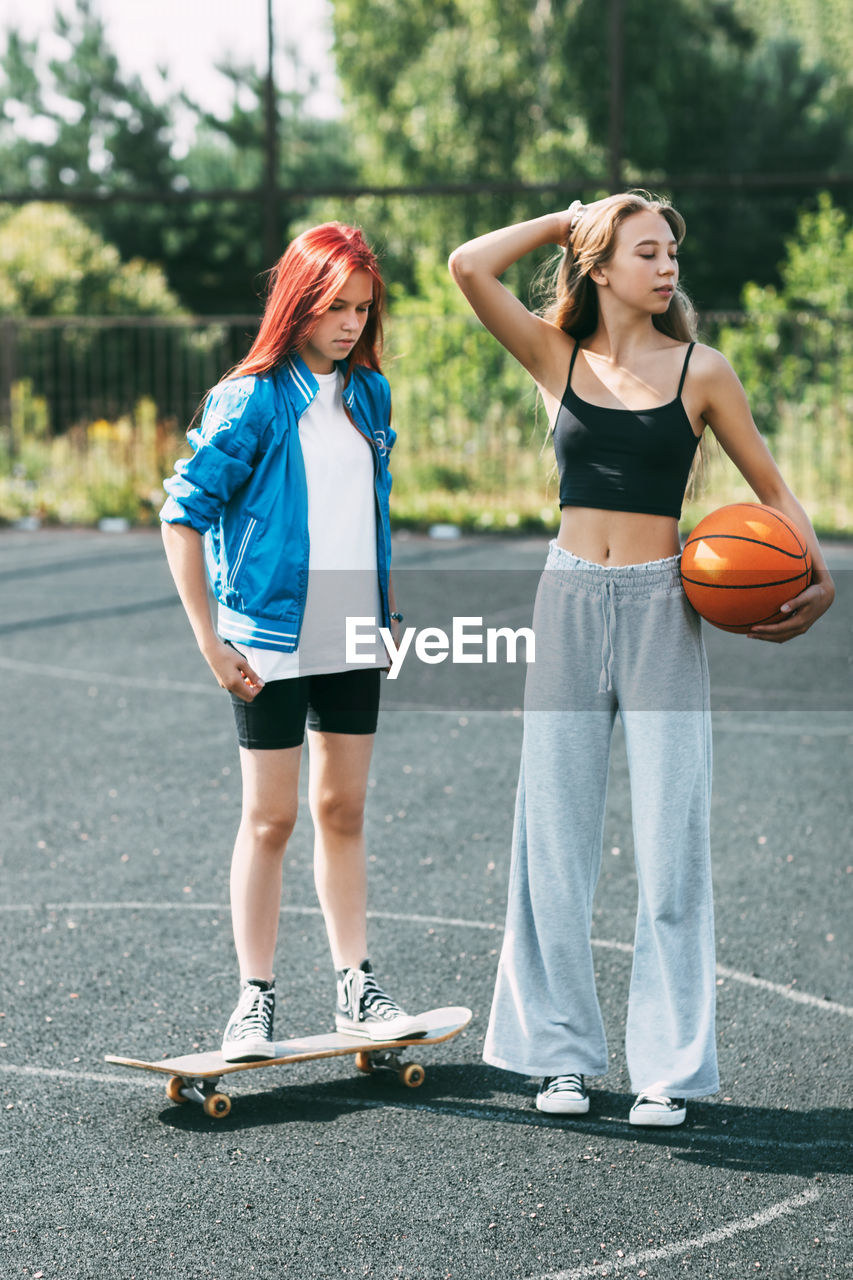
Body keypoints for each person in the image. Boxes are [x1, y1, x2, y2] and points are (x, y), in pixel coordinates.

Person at [448, 192, 835, 1125]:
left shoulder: (703, 371)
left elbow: (773, 490)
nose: (666, 268)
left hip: (666, 605)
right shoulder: (556, 356)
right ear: (601, 267)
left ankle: (665, 1070)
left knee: (671, 846)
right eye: (645, 252)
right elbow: (466, 266)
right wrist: (559, 221)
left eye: (671, 254)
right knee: (553, 841)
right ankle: (560, 1059)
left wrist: (816, 578)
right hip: (569, 598)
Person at [160, 222, 428, 1062]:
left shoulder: (370, 395)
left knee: (342, 811)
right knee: (270, 818)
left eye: (362, 307)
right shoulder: (250, 399)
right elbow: (181, 516)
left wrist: (385, 613)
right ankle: (254, 998)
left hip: (350, 621)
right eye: (334, 306)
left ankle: (356, 985)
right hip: (267, 632)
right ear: (298, 303)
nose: (350, 322)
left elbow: (366, 514)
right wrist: (211, 644)